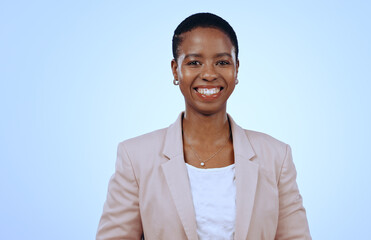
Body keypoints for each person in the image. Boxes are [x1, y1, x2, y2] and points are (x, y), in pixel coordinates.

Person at [96, 13, 311, 240]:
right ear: (175, 70)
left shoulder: (276, 157)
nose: (209, 74)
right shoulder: (136, 157)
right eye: (194, 62)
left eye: (222, 62)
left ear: (236, 69)